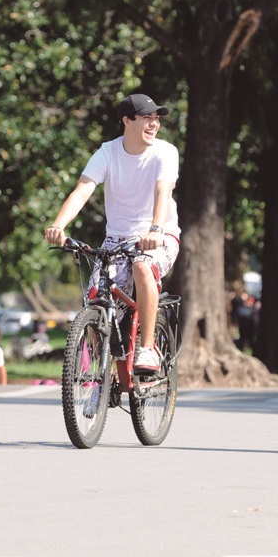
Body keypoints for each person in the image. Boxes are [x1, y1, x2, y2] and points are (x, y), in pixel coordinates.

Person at [43, 93, 181, 373]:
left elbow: (162, 190)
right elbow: (83, 190)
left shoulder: (165, 151)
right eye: (146, 118)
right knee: (97, 298)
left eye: (156, 118)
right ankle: (101, 376)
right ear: (127, 121)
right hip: (117, 239)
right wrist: (58, 225)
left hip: (159, 234)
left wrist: (155, 229)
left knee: (143, 266)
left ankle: (147, 348)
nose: (154, 124)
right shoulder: (107, 152)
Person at [229, 280, 257, 351]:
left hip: (241, 317)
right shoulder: (238, 297)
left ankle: (243, 346)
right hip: (242, 317)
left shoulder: (237, 296)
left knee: (243, 333)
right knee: (242, 333)